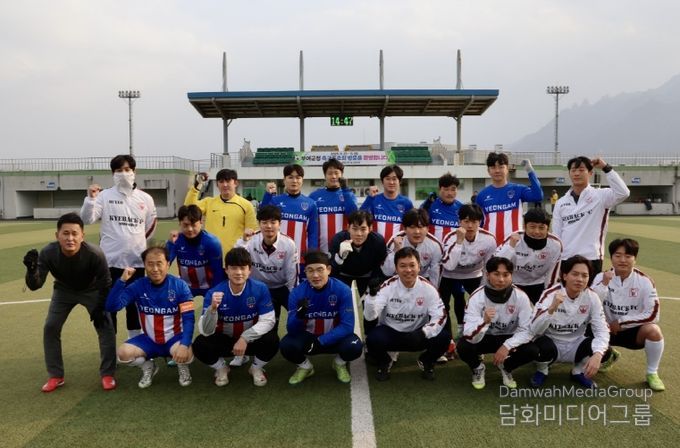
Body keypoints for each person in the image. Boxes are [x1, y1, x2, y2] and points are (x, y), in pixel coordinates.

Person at [24, 213, 116, 392]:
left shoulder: (95, 253)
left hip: (92, 290)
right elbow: (35, 285)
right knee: (50, 327)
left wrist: (99, 307)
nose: (70, 238)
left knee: (105, 325)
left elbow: (106, 282)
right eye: (65, 233)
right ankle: (56, 376)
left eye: (75, 233)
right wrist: (31, 270)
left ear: (82, 236)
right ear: (57, 235)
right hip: (64, 290)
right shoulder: (48, 252)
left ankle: (108, 374)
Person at [80, 154, 157, 338]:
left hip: (136, 263)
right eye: (119, 170)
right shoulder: (104, 196)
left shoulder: (145, 198)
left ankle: (134, 345)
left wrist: (136, 242)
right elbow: (87, 219)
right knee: (109, 306)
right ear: (113, 173)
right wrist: (90, 199)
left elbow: (150, 226)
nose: (123, 174)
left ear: (134, 171)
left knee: (134, 306)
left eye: (127, 169)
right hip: (109, 262)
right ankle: (109, 347)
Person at [105, 246, 195, 389]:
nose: (155, 269)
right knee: (123, 354)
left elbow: (189, 319)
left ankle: (182, 366)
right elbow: (111, 306)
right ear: (145, 265)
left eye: (159, 263)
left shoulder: (180, 286)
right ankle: (149, 367)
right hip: (149, 340)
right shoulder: (138, 285)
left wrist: (184, 344)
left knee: (187, 353)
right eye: (150, 264)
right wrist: (121, 281)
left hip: (174, 339)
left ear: (168, 264)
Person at [192, 248, 279, 387]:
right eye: (233, 268)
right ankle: (221, 368)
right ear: (226, 270)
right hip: (226, 341)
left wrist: (245, 338)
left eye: (242, 268)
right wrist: (212, 309)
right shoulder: (214, 293)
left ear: (249, 270)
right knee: (199, 344)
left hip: (249, 341)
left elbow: (268, 320)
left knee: (272, 339)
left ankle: (256, 368)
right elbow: (205, 331)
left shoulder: (260, 288)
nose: (238, 272)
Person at [364, 247, 449, 381]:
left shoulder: (428, 288)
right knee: (372, 339)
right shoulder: (387, 286)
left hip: (418, 335)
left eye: (412, 265)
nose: (408, 270)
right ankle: (385, 361)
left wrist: (424, 332)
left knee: (444, 337)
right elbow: (370, 317)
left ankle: (427, 360)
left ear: (419, 267)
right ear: (396, 269)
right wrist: (371, 297)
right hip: (391, 333)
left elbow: (440, 316)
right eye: (403, 266)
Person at [592, 238, 665, 391]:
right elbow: (591, 304)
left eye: (628, 256)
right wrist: (604, 284)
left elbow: (653, 314)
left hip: (631, 332)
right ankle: (608, 354)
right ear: (611, 257)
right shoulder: (601, 277)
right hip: (604, 330)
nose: (623, 260)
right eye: (618, 255)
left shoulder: (645, 281)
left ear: (635, 258)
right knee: (583, 327)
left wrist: (622, 323)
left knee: (653, 331)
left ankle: (652, 373)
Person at [280, 251, 363, 385]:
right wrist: (299, 316)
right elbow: (291, 330)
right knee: (286, 345)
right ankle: (305, 367)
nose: (315, 275)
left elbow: (347, 326)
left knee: (355, 346)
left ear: (328, 270)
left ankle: (339, 363)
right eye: (310, 270)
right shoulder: (297, 293)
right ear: (305, 272)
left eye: (320, 269)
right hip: (309, 337)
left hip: (334, 336)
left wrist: (321, 341)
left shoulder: (342, 290)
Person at [529, 256, 610, 389]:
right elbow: (534, 329)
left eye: (584, 275)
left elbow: (602, 329)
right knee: (537, 347)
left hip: (576, 344)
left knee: (604, 350)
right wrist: (551, 309)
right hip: (551, 344)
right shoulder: (550, 294)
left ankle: (578, 372)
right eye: (575, 274)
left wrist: (598, 354)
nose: (580, 279)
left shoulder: (592, 297)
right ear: (565, 276)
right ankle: (542, 370)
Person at [457, 257, 537, 390]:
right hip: (485, 337)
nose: (501, 280)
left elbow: (527, 330)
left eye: (506, 275)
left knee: (532, 350)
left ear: (511, 275)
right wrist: (484, 322)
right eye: (496, 274)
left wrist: (507, 346)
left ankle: (507, 367)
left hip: (508, 337)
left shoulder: (521, 296)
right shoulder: (476, 297)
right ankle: (478, 367)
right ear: (487, 275)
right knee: (463, 346)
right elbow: (469, 334)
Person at [552, 156, 630, 273]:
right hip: (566, 258)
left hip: (591, 258)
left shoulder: (600, 196)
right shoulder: (561, 202)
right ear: (569, 173)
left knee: (592, 286)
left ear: (590, 173)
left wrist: (605, 167)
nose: (577, 173)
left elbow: (623, 193)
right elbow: (556, 235)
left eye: (581, 170)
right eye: (573, 170)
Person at [440, 204, 497, 339]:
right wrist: (459, 242)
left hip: (474, 274)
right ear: (459, 222)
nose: (470, 226)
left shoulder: (489, 239)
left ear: (480, 222)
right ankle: (448, 338)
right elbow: (449, 266)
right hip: (450, 275)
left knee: (482, 302)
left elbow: (489, 267)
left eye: (474, 221)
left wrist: (483, 287)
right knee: (443, 305)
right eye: (466, 221)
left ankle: (480, 332)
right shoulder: (450, 237)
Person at [235, 204, 298, 321]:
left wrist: (294, 297)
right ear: (259, 224)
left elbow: (292, 274)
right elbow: (236, 258)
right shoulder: (251, 239)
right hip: (259, 287)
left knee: (299, 314)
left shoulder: (289, 244)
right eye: (264, 222)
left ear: (280, 224)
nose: (269, 226)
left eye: (273, 222)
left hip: (282, 287)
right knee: (269, 324)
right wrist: (243, 241)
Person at [495, 208, 562, 304]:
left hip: (538, 283)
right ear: (524, 226)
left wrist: (548, 295)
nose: (537, 231)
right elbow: (496, 263)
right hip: (513, 283)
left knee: (544, 309)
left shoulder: (556, 245)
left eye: (541, 228)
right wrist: (510, 247)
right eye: (532, 227)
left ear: (548, 228)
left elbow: (552, 275)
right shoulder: (513, 239)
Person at [184, 168, 258, 256]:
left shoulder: (246, 205)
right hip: (210, 255)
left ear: (236, 183)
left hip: (234, 257)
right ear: (217, 184)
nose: (225, 185)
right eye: (221, 182)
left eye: (228, 181)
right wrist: (197, 186)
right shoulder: (209, 202)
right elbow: (189, 208)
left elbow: (251, 232)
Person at [475, 152, 543, 246]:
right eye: (493, 167)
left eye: (501, 167)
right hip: (490, 247)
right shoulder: (482, 195)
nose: (497, 170)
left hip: (515, 246)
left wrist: (530, 171)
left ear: (507, 168)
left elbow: (538, 195)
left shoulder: (518, 189)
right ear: (488, 171)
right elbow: (479, 223)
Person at [261, 164, 319, 268]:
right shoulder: (275, 201)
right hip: (276, 256)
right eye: (290, 177)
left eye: (298, 177)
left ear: (302, 180)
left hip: (300, 258)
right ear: (284, 180)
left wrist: (312, 254)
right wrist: (267, 195)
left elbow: (313, 232)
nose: (294, 181)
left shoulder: (311, 204)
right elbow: (262, 215)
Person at [167, 205, 225, 298]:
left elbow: (217, 272)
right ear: (179, 223)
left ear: (201, 222)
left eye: (193, 224)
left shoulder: (212, 242)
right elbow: (165, 263)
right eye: (185, 225)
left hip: (209, 286)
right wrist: (170, 244)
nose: (190, 229)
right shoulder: (176, 240)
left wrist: (215, 294)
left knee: (212, 307)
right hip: (186, 287)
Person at [329, 210, 387, 296]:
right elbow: (330, 271)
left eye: (363, 229)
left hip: (368, 280)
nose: (359, 234)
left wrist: (372, 287)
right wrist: (340, 257)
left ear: (370, 228)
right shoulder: (338, 239)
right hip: (342, 279)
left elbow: (380, 269)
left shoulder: (378, 241)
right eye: (354, 229)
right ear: (348, 227)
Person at [381, 208, 444, 286]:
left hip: (422, 280)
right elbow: (387, 272)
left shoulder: (435, 245)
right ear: (404, 228)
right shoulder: (395, 241)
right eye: (412, 227)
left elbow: (435, 273)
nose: (417, 232)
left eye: (421, 227)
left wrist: (433, 290)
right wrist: (396, 250)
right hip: (399, 280)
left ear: (428, 228)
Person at [309, 158, 358, 254]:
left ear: (342, 175)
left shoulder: (349, 194)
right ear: (325, 175)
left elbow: (353, 216)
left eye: (336, 173)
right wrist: (313, 249)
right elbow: (310, 226)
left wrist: (345, 190)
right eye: (330, 173)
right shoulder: (314, 196)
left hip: (345, 250)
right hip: (321, 252)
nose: (334, 176)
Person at [360, 164, 414, 243]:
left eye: (394, 179)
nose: (391, 182)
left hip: (398, 247)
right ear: (382, 181)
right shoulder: (374, 199)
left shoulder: (407, 203)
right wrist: (369, 198)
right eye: (388, 179)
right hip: (375, 246)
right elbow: (359, 218)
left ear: (399, 181)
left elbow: (412, 226)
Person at [420, 173, 464, 242]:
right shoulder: (430, 204)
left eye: (453, 189)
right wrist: (425, 208)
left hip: (453, 248)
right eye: (446, 189)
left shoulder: (461, 208)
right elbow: (418, 222)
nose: (450, 193)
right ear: (439, 189)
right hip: (432, 247)